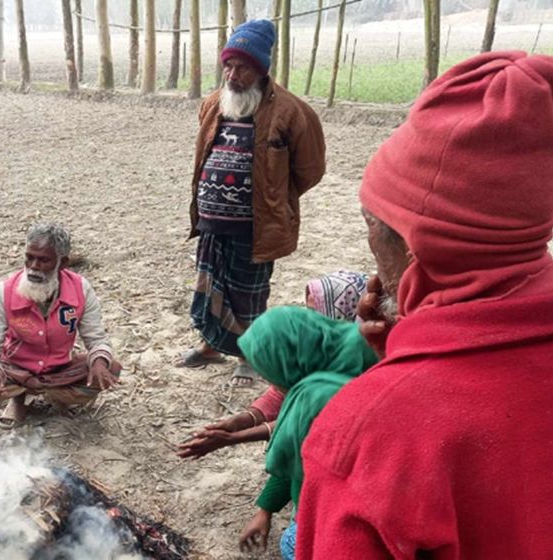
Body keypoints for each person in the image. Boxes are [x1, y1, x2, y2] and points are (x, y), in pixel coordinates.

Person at [297, 52, 553, 558]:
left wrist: (397, 389)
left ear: (412, 247)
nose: (374, 265)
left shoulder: (370, 436)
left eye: (371, 226)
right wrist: (405, 356)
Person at [180, 19, 326, 381]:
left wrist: (271, 197)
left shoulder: (293, 112)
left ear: (261, 70)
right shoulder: (214, 104)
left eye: (242, 67)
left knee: (249, 292)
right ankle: (212, 346)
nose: (232, 74)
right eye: (228, 65)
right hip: (212, 221)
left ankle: (250, 356)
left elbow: (310, 170)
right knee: (211, 285)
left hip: (256, 225)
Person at [231, 306, 378, 558]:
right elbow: (301, 452)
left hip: (363, 519)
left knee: (292, 543)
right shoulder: (356, 348)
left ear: (288, 364)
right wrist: (265, 510)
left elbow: (303, 457)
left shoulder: (318, 397)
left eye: (270, 372)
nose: (272, 383)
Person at [177, 270, 368, 459]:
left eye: (317, 312)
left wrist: (233, 437)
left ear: (344, 310)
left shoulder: (361, 369)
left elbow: (307, 419)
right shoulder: (325, 343)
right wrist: (244, 419)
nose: (310, 319)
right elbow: (286, 392)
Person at [0, 224, 121, 428]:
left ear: (63, 263)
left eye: (43, 260)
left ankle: (57, 397)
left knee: (111, 368)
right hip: (15, 371)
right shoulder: (5, 291)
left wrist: (99, 362)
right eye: (29, 257)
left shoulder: (81, 289)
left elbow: (97, 340)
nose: (33, 266)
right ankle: (19, 400)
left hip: (59, 371)